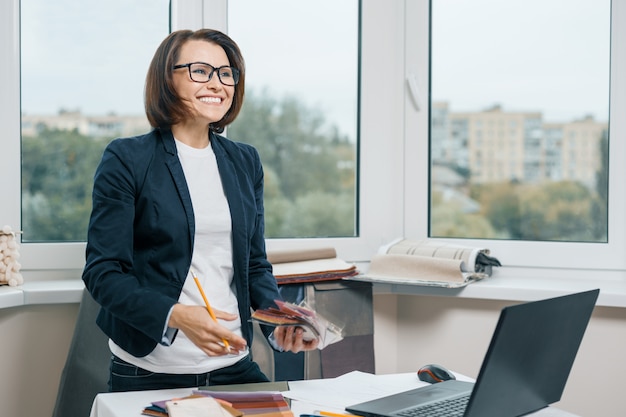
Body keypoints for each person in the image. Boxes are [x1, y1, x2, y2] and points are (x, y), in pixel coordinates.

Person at [82, 28, 319, 392]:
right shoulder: (127, 158)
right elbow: (103, 272)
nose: (217, 83)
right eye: (200, 71)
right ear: (167, 78)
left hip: (233, 366)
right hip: (148, 372)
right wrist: (173, 315)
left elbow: (254, 265)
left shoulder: (245, 161)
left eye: (226, 74)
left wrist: (281, 318)